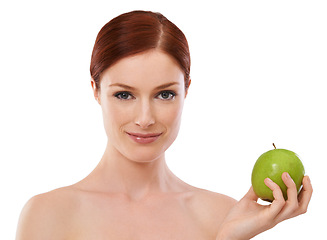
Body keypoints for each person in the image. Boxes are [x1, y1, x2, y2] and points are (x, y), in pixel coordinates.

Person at [16, 10, 313, 240]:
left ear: (187, 90)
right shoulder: (47, 215)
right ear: (95, 90)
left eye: (165, 94)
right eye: (124, 94)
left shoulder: (223, 216)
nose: (145, 118)